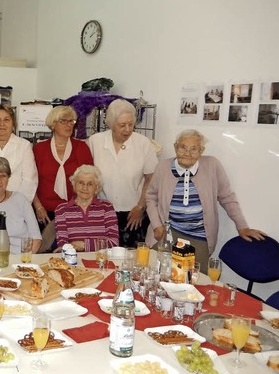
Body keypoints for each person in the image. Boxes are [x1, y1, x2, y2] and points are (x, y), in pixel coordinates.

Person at [145, 129, 265, 273]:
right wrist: (157, 225)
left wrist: (242, 227)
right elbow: (151, 196)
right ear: (175, 147)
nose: (187, 153)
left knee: (193, 284)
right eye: (183, 147)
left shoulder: (212, 165)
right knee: (157, 276)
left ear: (201, 150)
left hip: (199, 237)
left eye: (194, 149)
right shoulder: (163, 166)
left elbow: (227, 197)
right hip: (166, 234)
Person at [88, 99, 158, 247]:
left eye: (131, 124)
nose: (127, 129)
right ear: (111, 124)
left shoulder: (143, 143)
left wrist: (140, 207)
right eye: (122, 125)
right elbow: (88, 176)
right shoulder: (95, 141)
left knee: (130, 259)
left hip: (133, 213)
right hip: (101, 211)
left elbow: (151, 178)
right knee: (101, 256)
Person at [33, 106, 93, 224]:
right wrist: (38, 207)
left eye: (71, 121)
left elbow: (91, 181)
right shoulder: (40, 149)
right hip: (45, 211)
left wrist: (82, 208)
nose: (69, 125)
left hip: (75, 210)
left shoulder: (81, 148)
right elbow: (31, 181)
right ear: (53, 124)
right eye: (63, 121)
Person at [54, 165, 119, 252]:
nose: (85, 188)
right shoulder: (62, 210)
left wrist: (84, 245)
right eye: (81, 183)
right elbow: (63, 245)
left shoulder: (106, 208)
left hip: (101, 260)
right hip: (73, 261)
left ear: (96, 188)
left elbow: (114, 243)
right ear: (74, 185)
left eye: (90, 184)